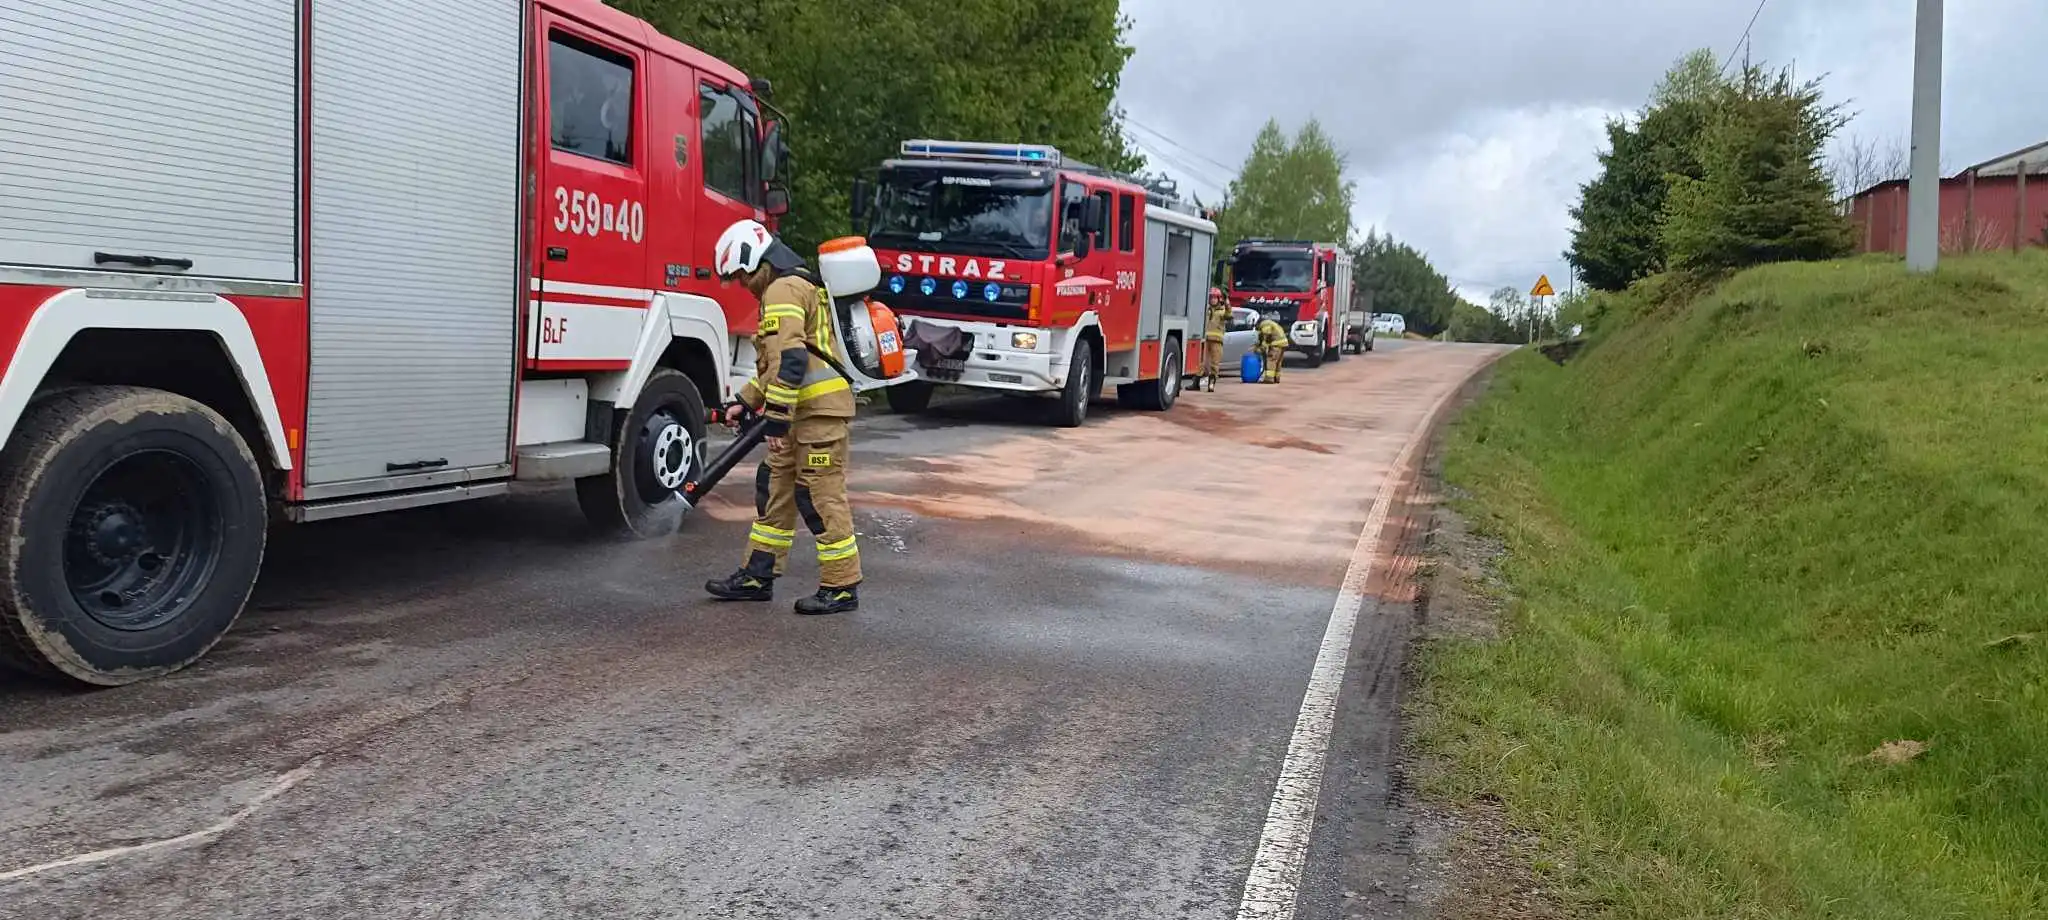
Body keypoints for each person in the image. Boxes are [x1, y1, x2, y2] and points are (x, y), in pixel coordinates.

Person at [703, 220, 863, 615]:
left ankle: (841, 587)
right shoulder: (793, 287)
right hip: (803, 412)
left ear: (754, 260)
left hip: (818, 415)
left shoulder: (782, 289)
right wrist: (745, 399)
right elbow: (779, 364)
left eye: (741, 276)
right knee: (775, 492)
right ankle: (758, 575)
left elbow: (791, 360)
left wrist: (775, 418)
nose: (743, 285)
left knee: (820, 495)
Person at [1200, 287, 1230, 391]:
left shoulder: (1222, 312)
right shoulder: (1206, 310)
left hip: (1217, 341)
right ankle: (1196, 383)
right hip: (1205, 340)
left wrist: (1227, 302)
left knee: (1214, 363)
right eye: (1211, 298)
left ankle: (1211, 383)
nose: (1212, 300)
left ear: (1219, 299)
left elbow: (1229, 315)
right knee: (1202, 363)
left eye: (1215, 298)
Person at [1255, 315, 1288, 384]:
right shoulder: (1272, 323)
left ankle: (1269, 379)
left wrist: (1264, 345)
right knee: (1278, 362)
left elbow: (1267, 334)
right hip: (1283, 343)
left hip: (1276, 344)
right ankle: (1276, 378)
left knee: (1271, 360)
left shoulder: (1264, 324)